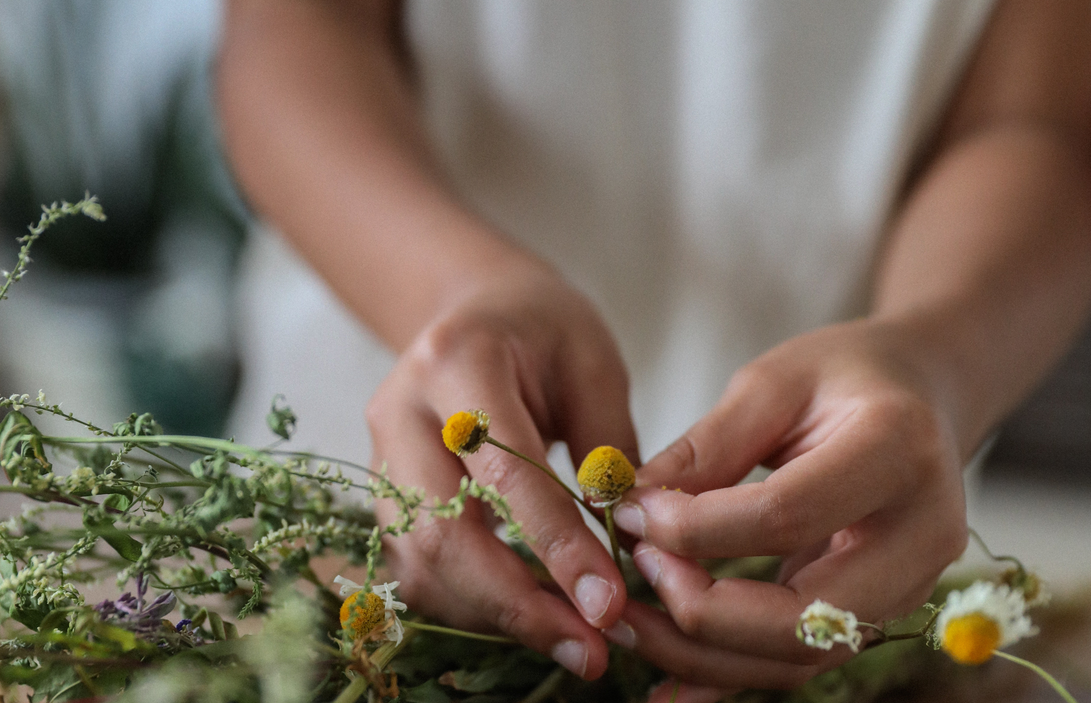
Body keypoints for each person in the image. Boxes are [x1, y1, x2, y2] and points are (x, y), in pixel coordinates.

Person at [217, 1, 1091, 699]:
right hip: (355, 519)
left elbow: (1036, 120)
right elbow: (291, 26)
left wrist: (934, 358)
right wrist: (452, 293)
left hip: (840, 561)